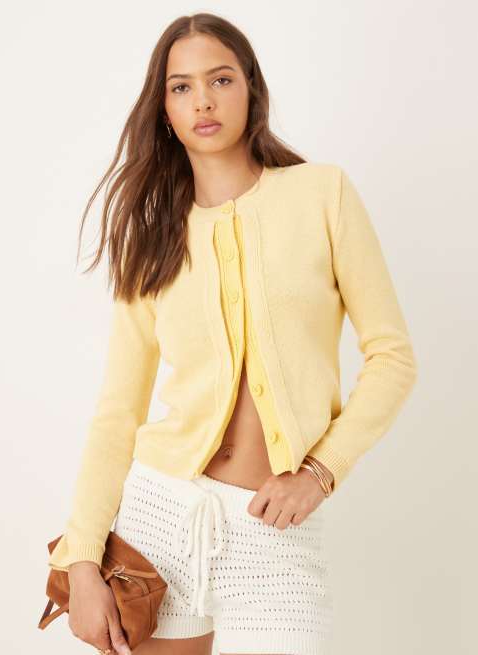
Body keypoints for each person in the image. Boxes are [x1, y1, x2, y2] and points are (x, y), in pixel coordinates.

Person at [47, 11, 417, 655]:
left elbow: (393, 359)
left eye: (220, 80)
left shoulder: (322, 194)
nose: (203, 101)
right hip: (158, 520)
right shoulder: (151, 236)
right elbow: (118, 411)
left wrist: (320, 472)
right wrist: (80, 558)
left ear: (251, 88)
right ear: (164, 109)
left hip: (273, 530)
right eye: (181, 87)